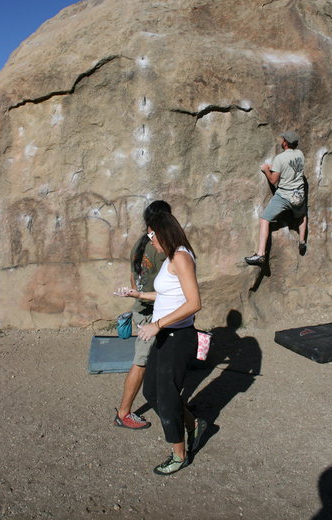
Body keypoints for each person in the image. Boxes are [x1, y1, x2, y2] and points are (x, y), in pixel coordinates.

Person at [126, 211, 207, 475]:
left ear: (164, 232)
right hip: (163, 334)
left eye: (153, 235)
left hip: (177, 336)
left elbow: (194, 303)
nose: (151, 242)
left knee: (167, 395)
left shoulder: (182, 257)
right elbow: (166, 293)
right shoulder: (172, 257)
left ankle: (179, 454)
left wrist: (158, 324)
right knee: (151, 391)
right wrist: (138, 293)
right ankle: (194, 423)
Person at [113, 200, 171, 430]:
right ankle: (123, 412)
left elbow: (132, 278)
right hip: (151, 312)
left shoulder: (139, 243)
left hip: (141, 307)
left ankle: (171, 403)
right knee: (141, 361)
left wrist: (139, 297)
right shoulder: (160, 248)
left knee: (160, 360)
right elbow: (168, 287)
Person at [245, 130, 307, 266]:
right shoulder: (300, 154)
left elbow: (273, 180)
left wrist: (266, 169)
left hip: (284, 196)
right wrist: (276, 167)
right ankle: (302, 241)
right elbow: (290, 167)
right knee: (302, 215)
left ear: (285, 143)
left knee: (264, 219)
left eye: (283, 139)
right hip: (299, 194)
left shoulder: (280, 158)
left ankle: (260, 254)